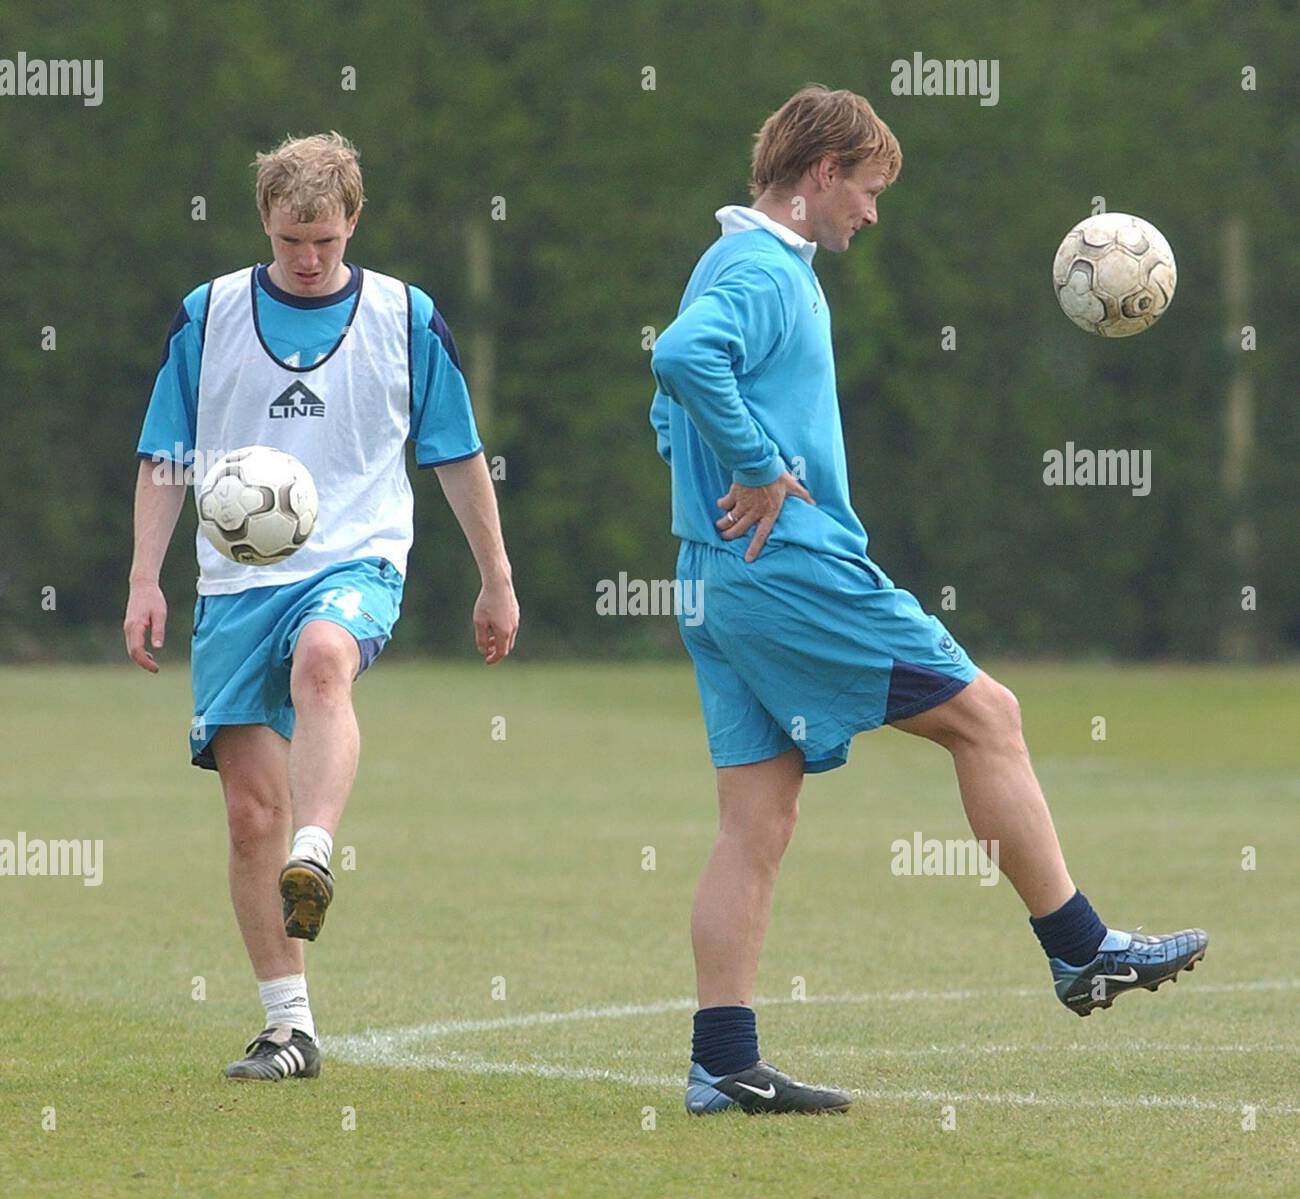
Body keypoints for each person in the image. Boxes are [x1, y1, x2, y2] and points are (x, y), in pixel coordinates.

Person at [649, 87, 1206, 1115]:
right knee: (989, 717)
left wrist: (715, 482)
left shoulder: (729, 262)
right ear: (821, 174)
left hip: (716, 576)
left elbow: (667, 397)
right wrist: (761, 465)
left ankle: (721, 1060)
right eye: (865, 190)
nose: (870, 213)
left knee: (754, 822)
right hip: (792, 572)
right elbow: (680, 359)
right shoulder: (762, 266)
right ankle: (1081, 950)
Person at [124, 132, 519, 1081]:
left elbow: (457, 453)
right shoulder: (208, 314)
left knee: (324, 660)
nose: (309, 258)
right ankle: (289, 1026)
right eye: (293, 237)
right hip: (231, 582)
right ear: (265, 219)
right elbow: (163, 454)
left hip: (354, 556)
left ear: (354, 223)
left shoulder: (405, 317)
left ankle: (318, 846)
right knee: (247, 814)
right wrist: (145, 576)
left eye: (327, 240)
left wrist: (495, 576)